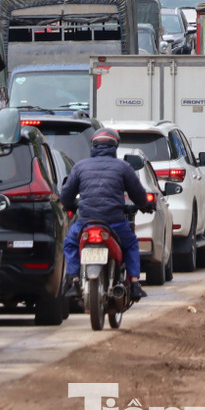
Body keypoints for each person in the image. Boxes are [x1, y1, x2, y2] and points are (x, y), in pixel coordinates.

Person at [60, 128, 156, 301]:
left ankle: (74, 281)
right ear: (115, 146)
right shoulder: (123, 167)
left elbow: (66, 195)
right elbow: (138, 194)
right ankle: (134, 282)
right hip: (115, 223)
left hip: (86, 222)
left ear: (94, 145)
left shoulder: (80, 166)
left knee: (70, 243)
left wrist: (69, 206)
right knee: (132, 244)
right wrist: (146, 205)